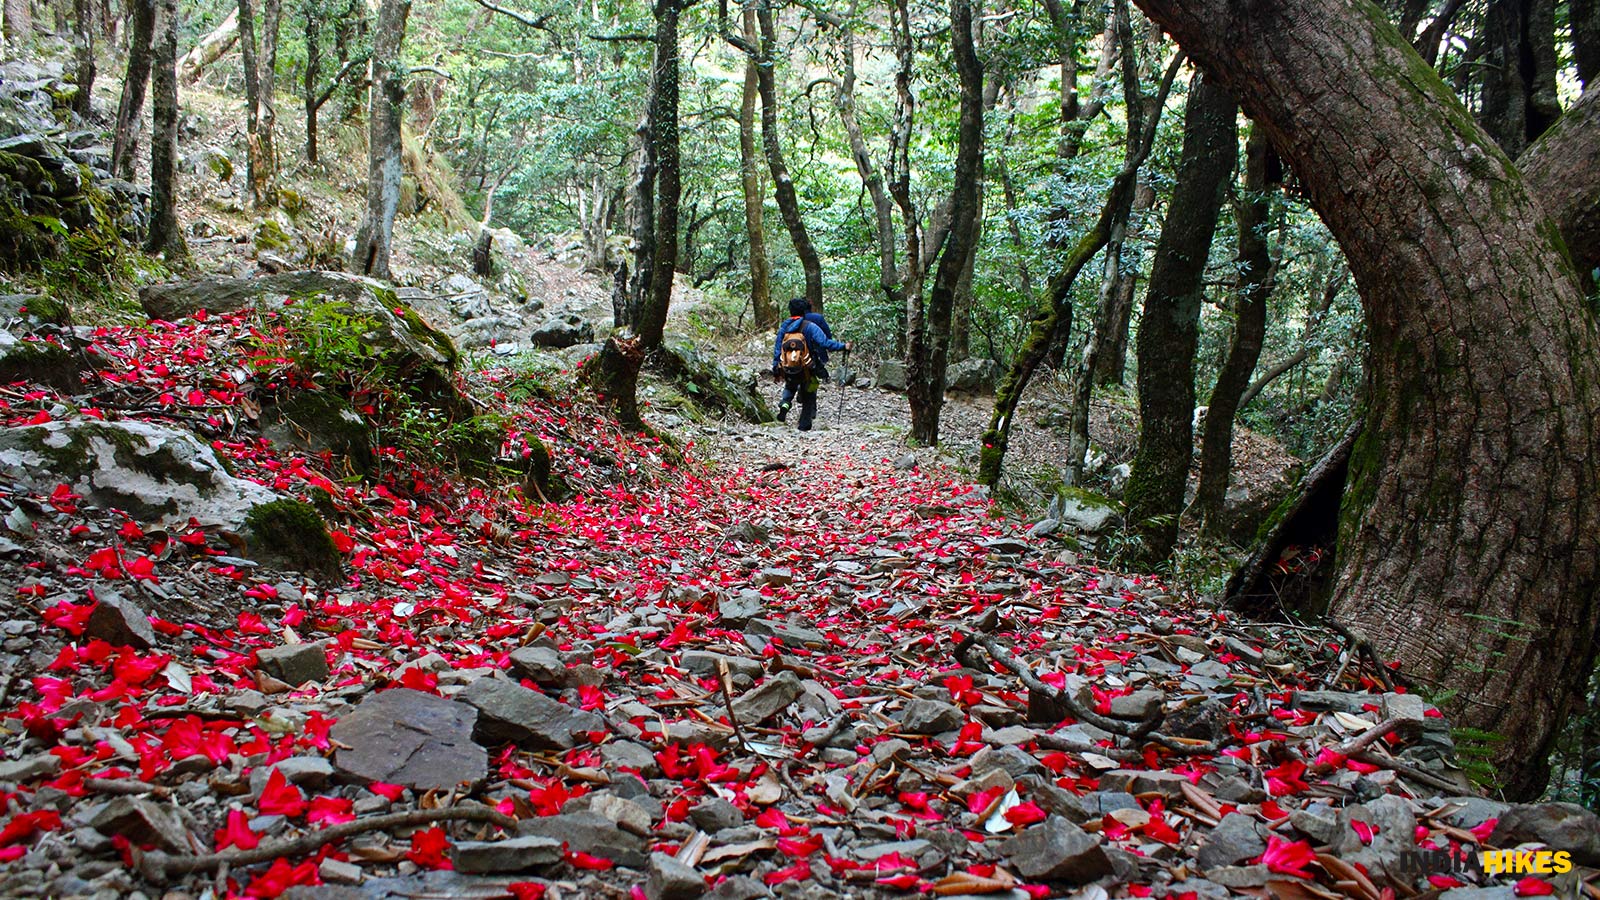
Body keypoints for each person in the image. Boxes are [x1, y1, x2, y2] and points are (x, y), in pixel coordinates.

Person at [772, 297, 849, 431]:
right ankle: (804, 424)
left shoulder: (785, 326)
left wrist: (776, 367)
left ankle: (784, 405)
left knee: (790, 388)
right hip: (807, 366)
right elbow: (825, 343)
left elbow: (778, 348)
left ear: (790, 311)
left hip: (789, 366)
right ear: (804, 311)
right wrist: (843, 346)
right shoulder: (810, 326)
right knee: (809, 392)